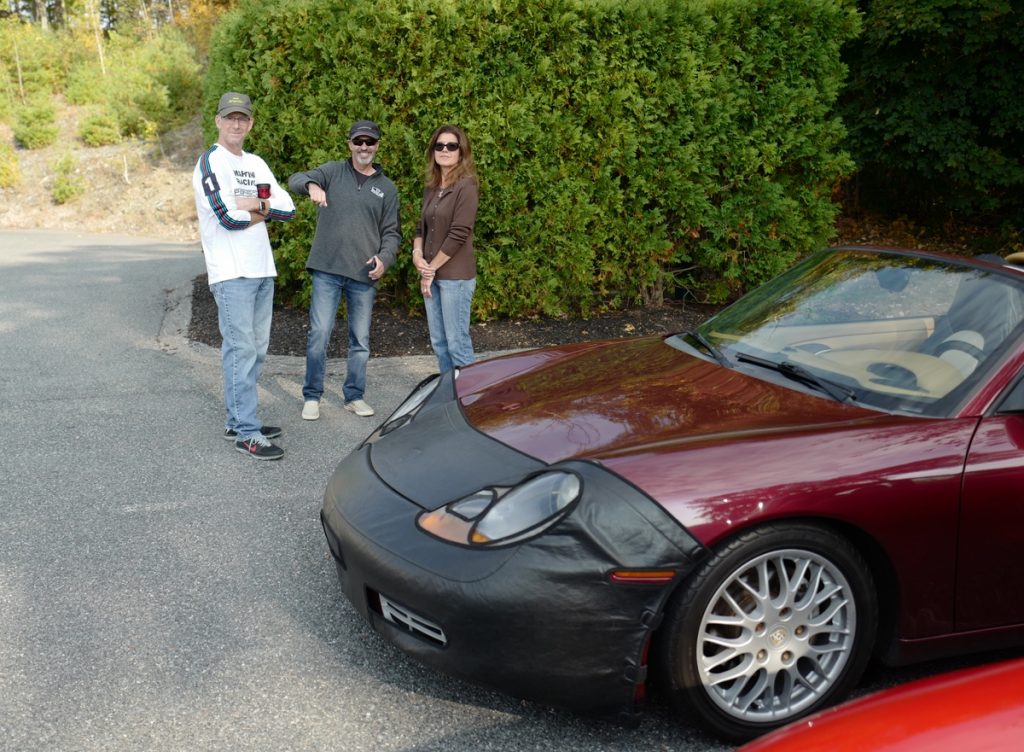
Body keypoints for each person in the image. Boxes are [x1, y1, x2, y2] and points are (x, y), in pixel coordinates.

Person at [192, 91, 296, 460]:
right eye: (230, 117)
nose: (236, 124)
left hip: (261, 269)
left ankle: (239, 420)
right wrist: (259, 207)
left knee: (257, 350)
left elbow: (288, 207)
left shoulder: (255, 163)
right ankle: (247, 433)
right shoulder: (211, 162)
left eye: (243, 118)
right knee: (241, 350)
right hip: (231, 272)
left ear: (250, 124)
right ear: (218, 121)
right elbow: (226, 218)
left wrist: (252, 203)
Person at [287, 120, 401, 420]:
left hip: (364, 274)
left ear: (377, 145)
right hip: (327, 269)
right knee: (319, 333)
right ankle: (312, 396)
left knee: (360, 341)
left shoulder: (386, 188)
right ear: (349, 144)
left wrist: (385, 259)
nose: (364, 147)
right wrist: (312, 185)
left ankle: (354, 396)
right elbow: (295, 179)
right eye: (358, 141)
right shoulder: (332, 172)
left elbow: (392, 233)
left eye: (370, 142)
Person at [412, 125, 480, 373]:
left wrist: (429, 270)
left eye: (451, 146)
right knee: (439, 343)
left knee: (457, 344)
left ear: (461, 152)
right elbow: (421, 228)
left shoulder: (467, 186)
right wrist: (417, 255)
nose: (445, 150)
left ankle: (470, 401)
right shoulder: (432, 187)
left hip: (455, 278)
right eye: (439, 145)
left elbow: (459, 233)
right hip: (432, 275)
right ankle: (447, 394)